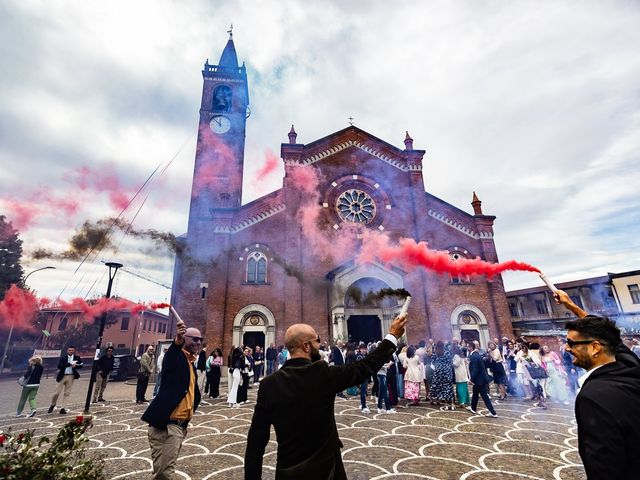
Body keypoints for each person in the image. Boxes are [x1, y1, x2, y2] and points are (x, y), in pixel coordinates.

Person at [244, 314, 407, 479]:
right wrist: (392, 335)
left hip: (289, 472)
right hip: (326, 470)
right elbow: (364, 367)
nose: (320, 344)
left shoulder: (269, 384)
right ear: (306, 346)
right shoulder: (323, 374)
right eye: (317, 340)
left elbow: (256, 441)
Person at [554, 289, 640, 479]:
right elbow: (607, 335)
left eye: (571, 343)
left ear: (595, 348)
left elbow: (605, 467)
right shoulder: (630, 365)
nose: (567, 348)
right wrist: (571, 306)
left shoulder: (593, 397)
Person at [141, 318, 202, 479]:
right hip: (167, 425)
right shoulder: (175, 357)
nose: (198, 342)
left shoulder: (190, 362)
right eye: (194, 339)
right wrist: (177, 340)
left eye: (200, 340)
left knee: (161, 472)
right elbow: (170, 360)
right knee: (164, 473)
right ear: (184, 339)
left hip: (179, 426)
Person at [48, 345, 83, 414]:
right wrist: (69, 364)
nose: (71, 351)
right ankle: (53, 404)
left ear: (74, 351)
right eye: (69, 350)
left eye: (72, 350)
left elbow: (81, 365)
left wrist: (76, 365)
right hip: (62, 376)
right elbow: (59, 366)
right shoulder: (63, 358)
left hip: (71, 376)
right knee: (56, 392)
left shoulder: (77, 358)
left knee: (67, 393)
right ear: (67, 351)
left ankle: (63, 408)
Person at [467, 341, 497, 417]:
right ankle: (473, 408)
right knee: (475, 394)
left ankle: (493, 413)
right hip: (480, 379)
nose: (467, 348)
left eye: (468, 346)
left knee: (484, 396)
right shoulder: (476, 355)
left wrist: (471, 379)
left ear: (471, 347)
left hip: (479, 380)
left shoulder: (474, 356)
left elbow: (475, 369)